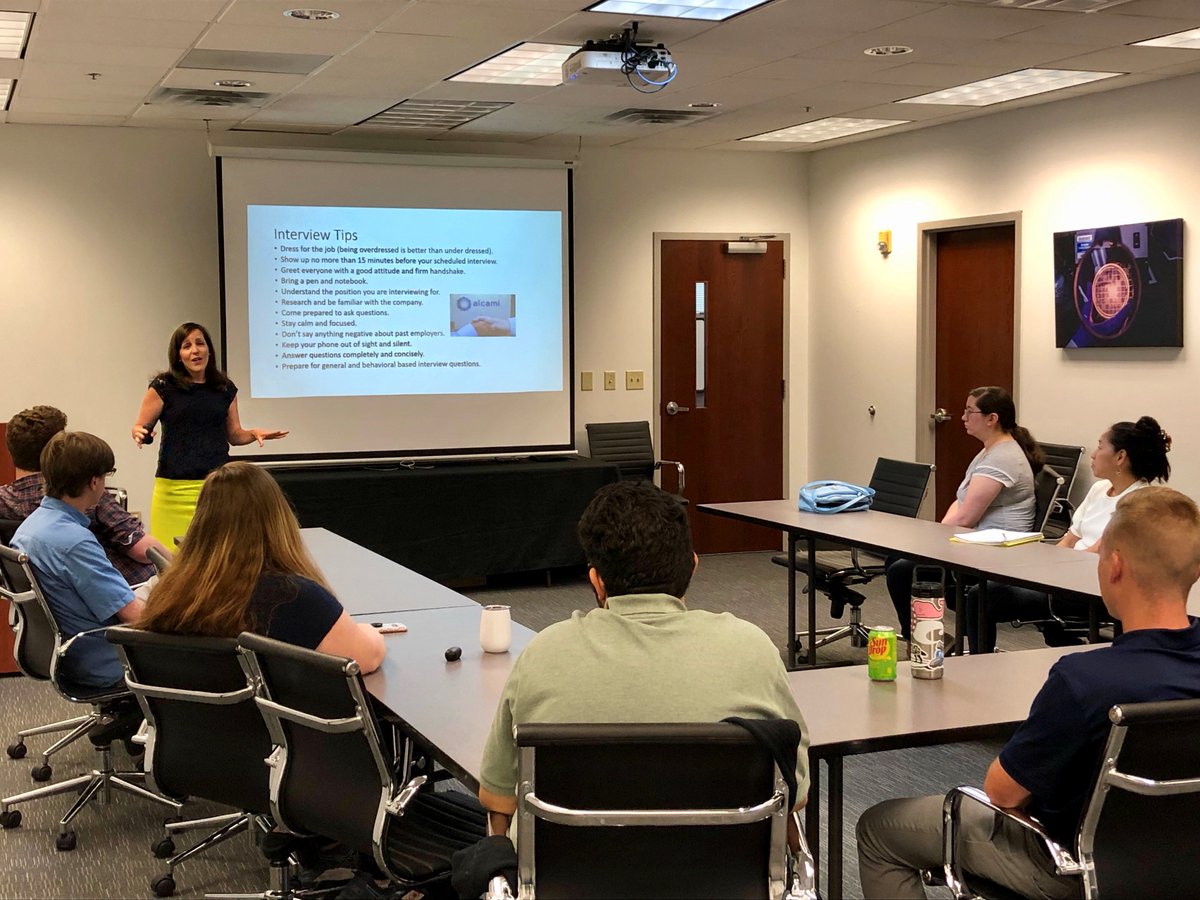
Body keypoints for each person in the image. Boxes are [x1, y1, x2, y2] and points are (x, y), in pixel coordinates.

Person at [856, 486, 1200, 899]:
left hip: (1068, 866)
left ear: (1114, 566)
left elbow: (1003, 792)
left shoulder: (1085, 680)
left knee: (880, 829)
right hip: (1184, 862)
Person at [477, 480, 810, 839]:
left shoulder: (543, 653)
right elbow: (795, 792)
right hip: (724, 868)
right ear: (692, 567)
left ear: (596, 582)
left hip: (572, 869)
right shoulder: (753, 649)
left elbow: (497, 799)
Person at [138, 461, 384, 673]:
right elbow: (365, 658)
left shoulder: (171, 591)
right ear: (278, 521)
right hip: (267, 715)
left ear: (201, 521)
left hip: (190, 715)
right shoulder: (292, 596)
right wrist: (368, 633)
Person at [966, 415, 1173, 651]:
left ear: (1120, 457)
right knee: (983, 592)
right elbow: (1069, 539)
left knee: (983, 596)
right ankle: (1059, 643)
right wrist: (1042, 571)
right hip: (1067, 579)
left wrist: (1051, 573)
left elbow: (1097, 552)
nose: (1093, 455)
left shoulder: (1138, 502)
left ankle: (1055, 643)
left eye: (1100, 446)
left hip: (1094, 588)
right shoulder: (1099, 489)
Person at [885, 386, 1043, 637]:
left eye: (970, 411)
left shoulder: (1003, 457)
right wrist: (937, 535)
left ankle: (920, 639)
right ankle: (921, 637)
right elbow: (962, 501)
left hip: (997, 552)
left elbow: (967, 517)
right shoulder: (989, 450)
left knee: (901, 571)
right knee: (897, 558)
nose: (963, 417)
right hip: (976, 542)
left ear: (992, 419)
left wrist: (933, 540)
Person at [131, 322, 288, 546]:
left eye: (200, 343)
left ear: (209, 350)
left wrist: (253, 433)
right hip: (173, 490)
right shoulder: (164, 386)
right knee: (170, 556)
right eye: (186, 346)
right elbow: (141, 427)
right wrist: (139, 433)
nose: (195, 350)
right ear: (178, 356)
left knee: (218, 552)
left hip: (217, 487)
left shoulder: (224, 388)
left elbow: (234, 435)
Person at [11, 431, 144, 689]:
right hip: (107, 660)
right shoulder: (75, 543)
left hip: (70, 653)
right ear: (94, 482)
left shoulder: (28, 529)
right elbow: (135, 617)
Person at [0, 405, 170, 585]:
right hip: (123, 589)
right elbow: (142, 549)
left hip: (53, 595)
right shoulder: (82, 493)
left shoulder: (4, 501)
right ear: (59, 450)